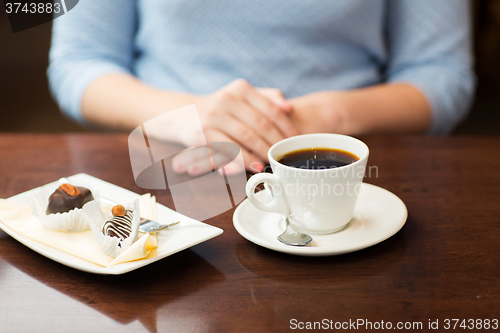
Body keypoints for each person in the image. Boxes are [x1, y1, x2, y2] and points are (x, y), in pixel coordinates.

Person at [48, 0, 475, 174]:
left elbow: (441, 72)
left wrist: (326, 117)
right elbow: (79, 62)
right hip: (171, 165)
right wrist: (189, 116)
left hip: (354, 164)